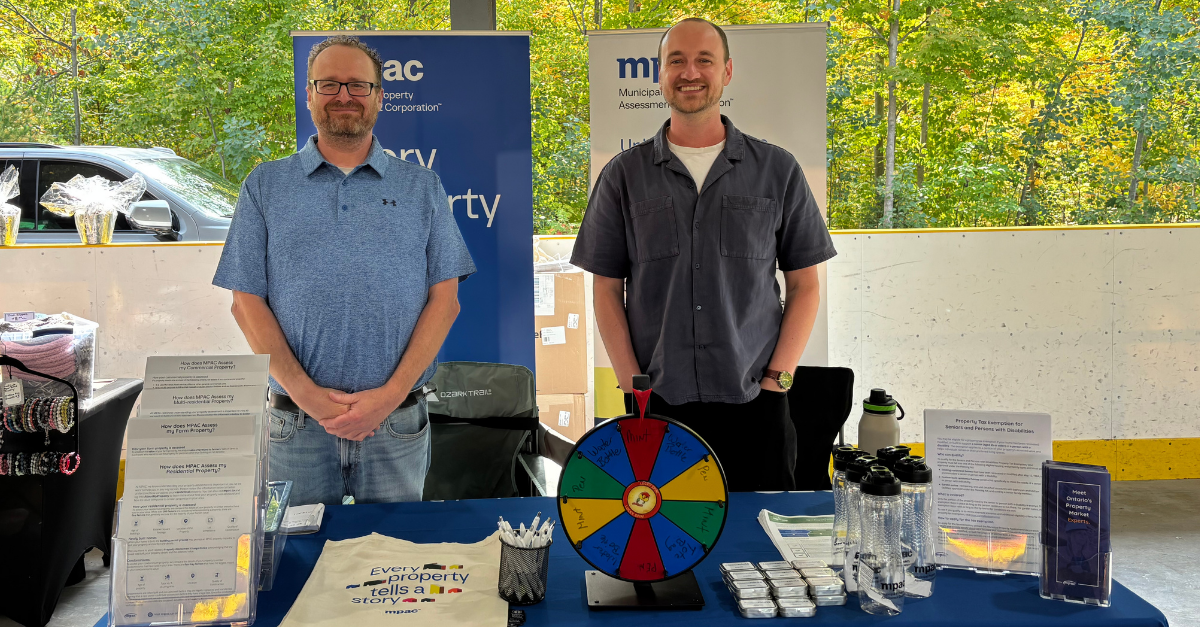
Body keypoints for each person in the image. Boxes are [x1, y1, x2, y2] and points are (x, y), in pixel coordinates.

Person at [570, 18, 836, 491]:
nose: (689, 72)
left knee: (762, 546)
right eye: (676, 60)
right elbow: (607, 290)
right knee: (664, 549)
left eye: (704, 60)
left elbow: (805, 286)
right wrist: (635, 388)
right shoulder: (623, 176)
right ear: (659, 75)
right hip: (659, 409)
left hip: (757, 406)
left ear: (727, 71)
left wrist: (779, 380)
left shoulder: (777, 170)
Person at [212, 36, 476, 505]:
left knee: (397, 562)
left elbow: (446, 300)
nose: (344, 96)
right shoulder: (265, 185)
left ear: (378, 96)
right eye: (329, 84)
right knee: (296, 564)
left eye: (358, 85)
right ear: (309, 95)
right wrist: (306, 393)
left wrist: (390, 395)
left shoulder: (421, 186)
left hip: (396, 421)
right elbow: (244, 301)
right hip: (296, 424)